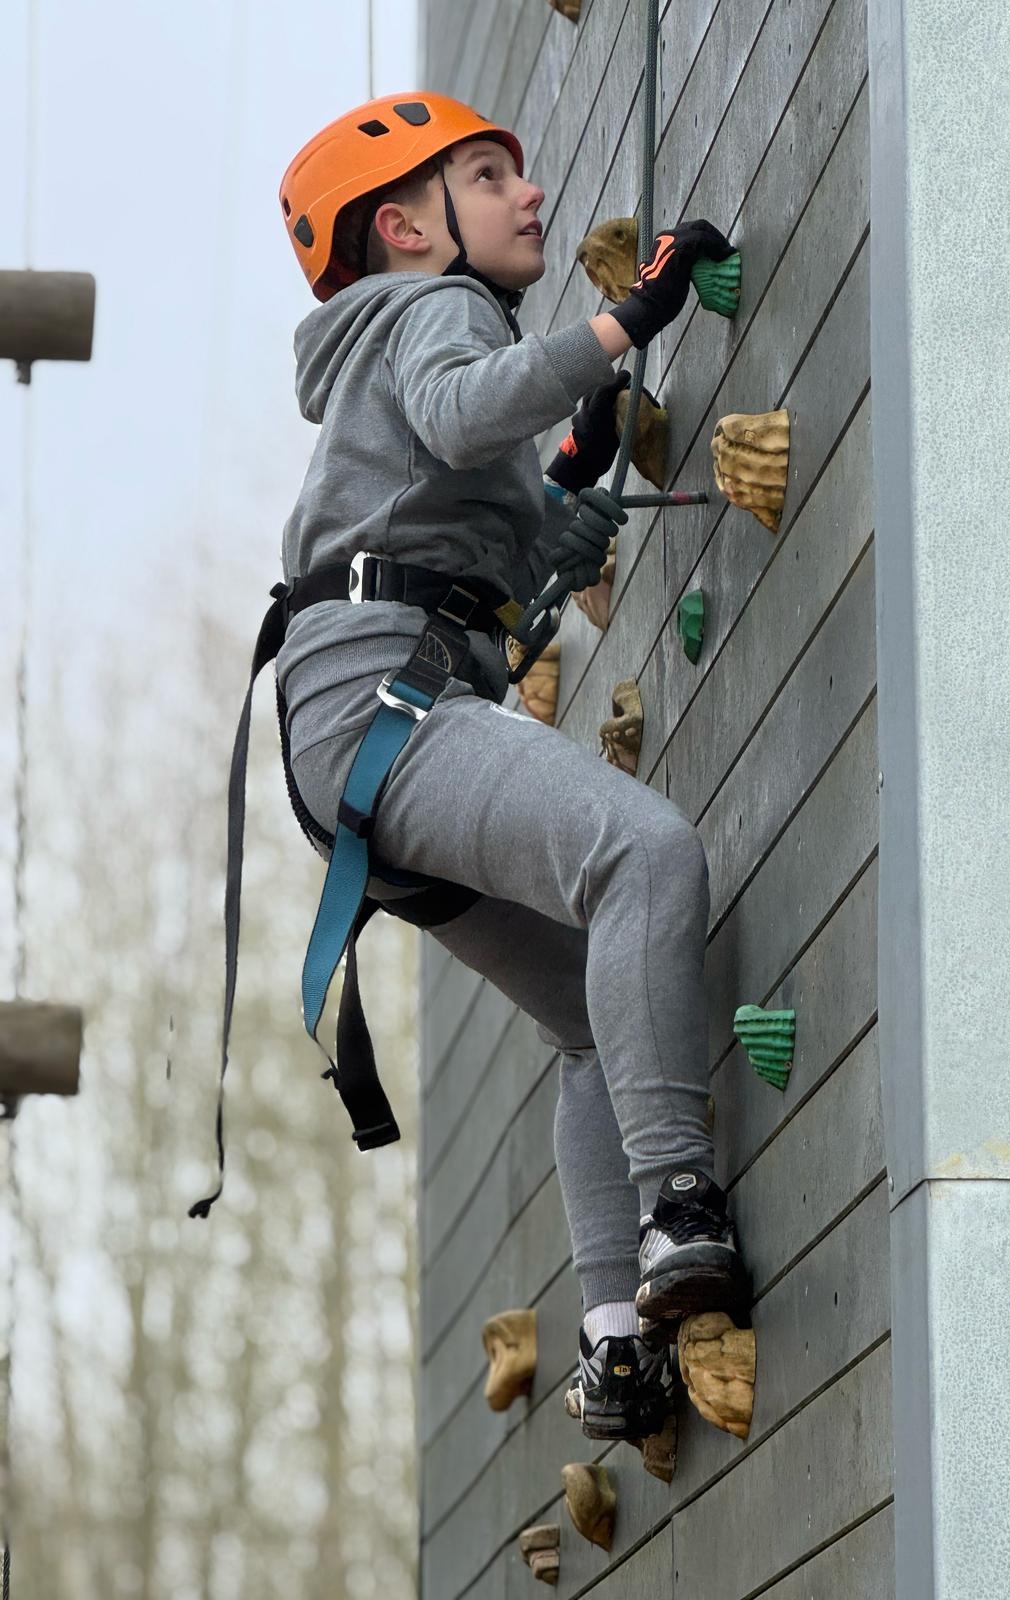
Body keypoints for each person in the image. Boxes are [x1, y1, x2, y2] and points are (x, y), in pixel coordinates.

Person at [276, 91, 750, 1441]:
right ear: (406, 225)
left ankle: (615, 1348)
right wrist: (627, 321)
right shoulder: (434, 308)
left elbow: (467, 514)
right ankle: (676, 1207)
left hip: (360, 733)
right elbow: (465, 407)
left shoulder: (387, 357)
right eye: (489, 175)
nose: (529, 192)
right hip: (389, 704)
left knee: (597, 1018)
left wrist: (566, 487)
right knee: (645, 853)